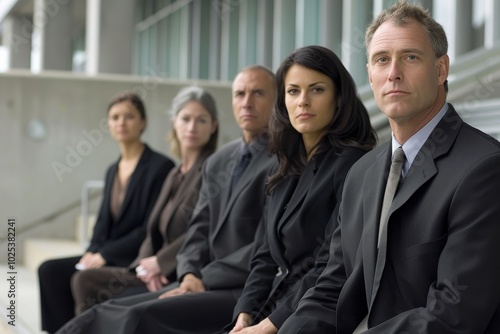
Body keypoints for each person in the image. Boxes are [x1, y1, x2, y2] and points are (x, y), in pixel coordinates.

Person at [279, 1, 500, 333]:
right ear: (370, 74)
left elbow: (455, 316)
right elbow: (332, 287)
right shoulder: (363, 172)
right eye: (382, 60)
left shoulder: (484, 168)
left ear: (441, 70)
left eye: (410, 57)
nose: (393, 72)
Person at [56, 65, 277, 334]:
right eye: (239, 94)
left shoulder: (283, 161)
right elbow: (199, 227)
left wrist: (197, 276)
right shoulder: (220, 161)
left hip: (241, 288)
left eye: (258, 93)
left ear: (277, 99)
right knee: (96, 316)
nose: (247, 102)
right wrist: (189, 273)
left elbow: (265, 246)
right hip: (195, 277)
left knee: (134, 316)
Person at [227, 45, 376, 334]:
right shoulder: (285, 163)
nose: (303, 101)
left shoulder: (353, 165)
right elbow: (264, 254)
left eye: (317, 90)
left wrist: (268, 326)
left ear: (339, 98)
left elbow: (329, 265)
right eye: (293, 91)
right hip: (274, 302)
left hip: (317, 308)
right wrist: (245, 314)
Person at [69, 86, 219, 313]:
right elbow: (152, 229)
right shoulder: (175, 173)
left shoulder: (213, 169)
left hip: (182, 271)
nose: (191, 127)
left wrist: (160, 263)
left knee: (85, 281)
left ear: (213, 126)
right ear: (174, 123)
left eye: (201, 120)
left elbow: (204, 228)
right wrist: (144, 265)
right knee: (75, 277)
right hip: (150, 268)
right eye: (185, 119)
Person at [38, 92, 174, 333]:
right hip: (108, 253)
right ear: (109, 124)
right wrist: (92, 250)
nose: (121, 122)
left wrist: (104, 255)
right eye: (115, 117)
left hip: (133, 257)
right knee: (49, 270)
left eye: (129, 116)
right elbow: (102, 222)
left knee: (76, 277)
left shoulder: (160, 167)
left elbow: (148, 229)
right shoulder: (113, 169)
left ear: (142, 122)